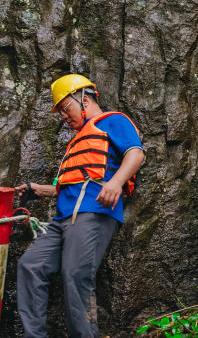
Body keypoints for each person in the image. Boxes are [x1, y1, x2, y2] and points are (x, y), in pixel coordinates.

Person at [16, 74, 144, 337]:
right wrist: (37, 189)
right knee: (31, 265)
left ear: (84, 99)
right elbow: (71, 184)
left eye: (66, 108)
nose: (64, 116)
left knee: (76, 274)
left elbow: (136, 153)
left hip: (93, 213)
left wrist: (117, 182)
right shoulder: (77, 140)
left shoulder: (112, 121)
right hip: (64, 219)